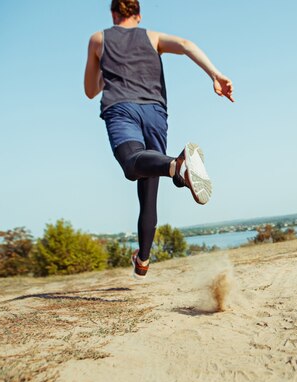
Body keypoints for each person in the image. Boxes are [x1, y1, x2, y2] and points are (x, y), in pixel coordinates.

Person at [84, 0, 233, 279]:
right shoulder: (152, 37)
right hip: (155, 113)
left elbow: (90, 90)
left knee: (132, 164)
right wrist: (215, 74)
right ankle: (142, 260)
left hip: (122, 109)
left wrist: (109, 74)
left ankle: (176, 167)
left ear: (113, 14)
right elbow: (187, 44)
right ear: (138, 15)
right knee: (148, 191)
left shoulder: (98, 39)